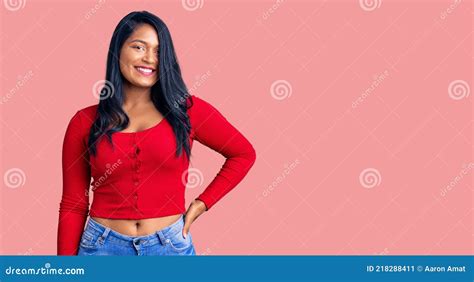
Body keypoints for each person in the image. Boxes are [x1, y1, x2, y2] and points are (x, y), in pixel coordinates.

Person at [57, 11, 256, 256]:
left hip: (170, 248)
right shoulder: (84, 122)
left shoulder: (188, 110)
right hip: (101, 249)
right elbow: (73, 205)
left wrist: (202, 204)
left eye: (159, 51)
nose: (150, 58)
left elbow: (243, 154)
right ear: (118, 50)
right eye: (139, 47)